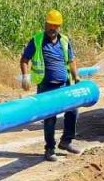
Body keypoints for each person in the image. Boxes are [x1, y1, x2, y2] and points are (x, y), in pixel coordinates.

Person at [19, 9, 81, 161]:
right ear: (45, 24)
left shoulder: (64, 40)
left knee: (73, 110)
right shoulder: (37, 40)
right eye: (50, 25)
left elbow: (71, 60)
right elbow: (24, 59)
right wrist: (25, 77)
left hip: (64, 84)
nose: (52, 28)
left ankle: (66, 141)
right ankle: (50, 149)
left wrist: (76, 77)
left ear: (59, 26)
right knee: (49, 118)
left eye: (55, 25)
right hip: (46, 86)